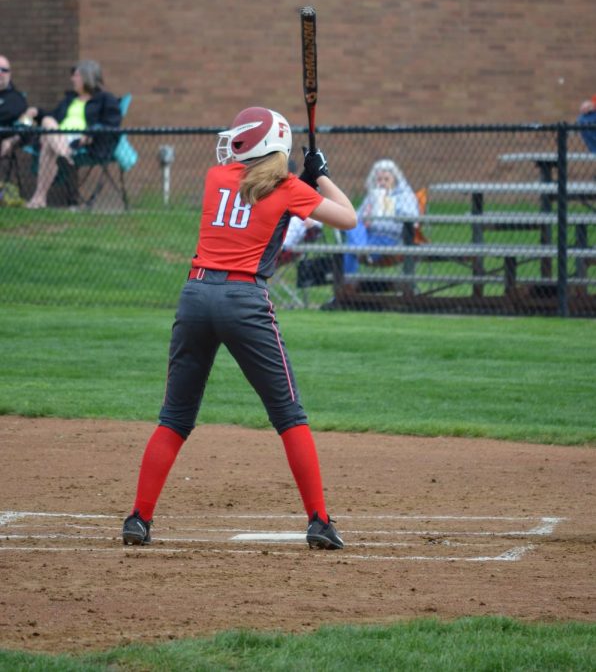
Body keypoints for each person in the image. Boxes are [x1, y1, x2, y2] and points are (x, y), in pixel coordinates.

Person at [122, 106, 357, 550]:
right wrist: (319, 174)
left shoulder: (216, 179)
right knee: (289, 415)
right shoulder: (289, 188)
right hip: (244, 300)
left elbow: (253, 196)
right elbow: (348, 217)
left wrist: (300, 181)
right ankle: (319, 521)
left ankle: (139, 517)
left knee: (174, 417)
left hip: (194, 296)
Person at [24, 60, 121, 209]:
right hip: (60, 138)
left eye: (76, 75)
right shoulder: (70, 100)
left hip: (82, 140)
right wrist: (37, 113)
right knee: (48, 121)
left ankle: (39, 198)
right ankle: (65, 153)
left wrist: (90, 133)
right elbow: (54, 117)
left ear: (87, 77)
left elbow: (111, 123)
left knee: (47, 144)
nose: (72, 79)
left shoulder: (106, 99)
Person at [344, 158, 420, 273]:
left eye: (386, 179)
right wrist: (366, 214)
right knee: (351, 222)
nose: (382, 182)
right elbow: (357, 216)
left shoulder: (405, 195)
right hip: (367, 235)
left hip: (389, 237)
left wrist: (391, 206)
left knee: (349, 251)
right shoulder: (373, 195)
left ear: (394, 179)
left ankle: (348, 284)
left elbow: (413, 218)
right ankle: (362, 250)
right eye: (379, 179)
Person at [0, 55, 29, 159]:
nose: (0, 73)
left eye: (4, 70)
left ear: (10, 74)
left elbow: (27, 122)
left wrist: (12, 140)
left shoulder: (17, 98)